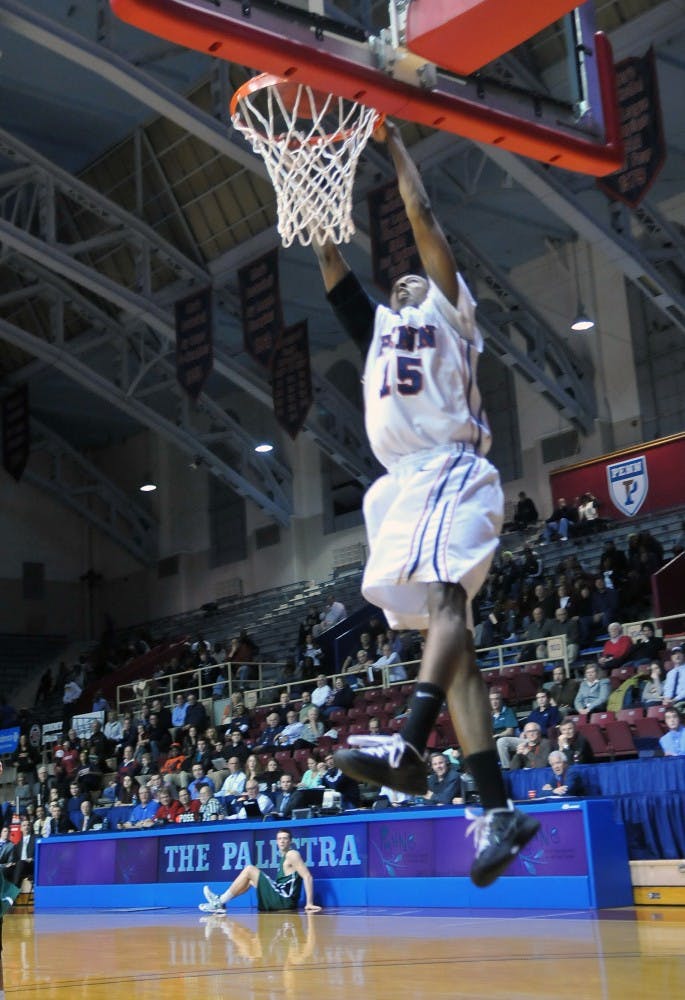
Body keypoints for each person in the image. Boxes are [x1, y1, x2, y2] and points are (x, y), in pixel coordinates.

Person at [310, 118, 538, 888]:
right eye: (396, 281)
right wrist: (314, 191)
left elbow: (422, 217)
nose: (403, 279)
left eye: (414, 277)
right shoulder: (378, 331)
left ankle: (407, 742)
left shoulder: (449, 312)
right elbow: (334, 270)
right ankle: (497, 811)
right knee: (457, 650)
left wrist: (391, 144)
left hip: (449, 465)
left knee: (444, 607)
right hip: (402, 490)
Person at [200, 828, 321, 913]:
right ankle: (222, 902)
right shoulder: (283, 857)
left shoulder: (292, 854)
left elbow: (307, 877)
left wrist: (309, 903)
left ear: (291, 841)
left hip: (285, 900)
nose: (282, 841)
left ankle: (219, 901)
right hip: (281, 896)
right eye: (279, 839)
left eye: (285, 838)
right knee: (250, 881)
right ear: (276, 842)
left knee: (249, 869)